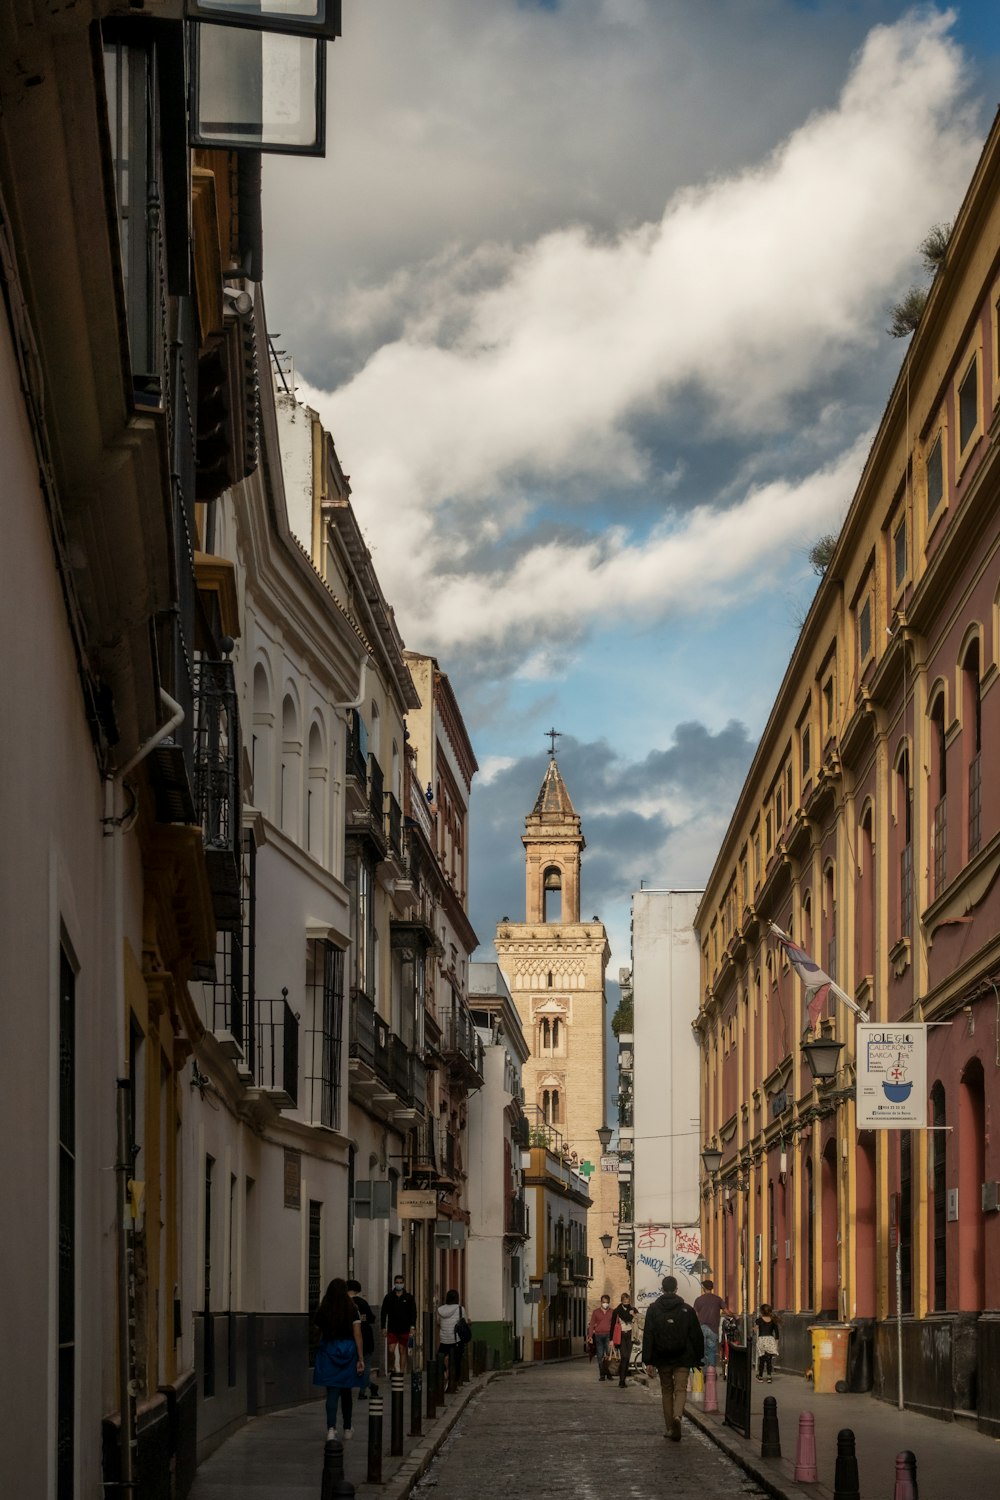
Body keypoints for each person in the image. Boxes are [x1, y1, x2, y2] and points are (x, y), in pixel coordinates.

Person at [642, 1274, 704, 1441]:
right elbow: (696, 1336)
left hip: (662, 1358)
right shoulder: (687, 1309)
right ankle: (678, 1416)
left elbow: (648, 1335)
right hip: (683, 1357)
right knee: (681, 1389)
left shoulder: (653, 1309)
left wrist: (648, 1360)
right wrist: (699, 1358)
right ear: (676, 1289)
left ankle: (670, 1427)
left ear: (662, 1289)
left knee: (667, 1391)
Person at [313, 1278, 365, 1442]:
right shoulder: (352, 1309)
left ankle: (331, 1428)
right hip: (348, 1352)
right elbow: (357, 1335)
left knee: (332, 1392)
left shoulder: (324, 1309)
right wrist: (361, 1358)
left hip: (329, 1351)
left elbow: (316, 1330)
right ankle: (348, 1427)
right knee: (346, 1391)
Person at [346, 1278, 378, 1400]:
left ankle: (367, 1386)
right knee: (366, 1363)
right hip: (366, 1336)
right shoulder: (363, 1303)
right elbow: (372, 1318)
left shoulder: (345, 1304)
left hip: (349, 1337)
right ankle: (364, 1390)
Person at [380, 1273, 418, 1373]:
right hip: (392, 1328)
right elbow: (383, 1313)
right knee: (391, 1350)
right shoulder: (388, 1297)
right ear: (394, 1283)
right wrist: (383, 1327)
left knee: (402, 1350)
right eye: (397, 1282)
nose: (399, 1284)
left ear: (403, 1284)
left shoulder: (409, 1297)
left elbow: (413, 1313)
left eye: (401, 1282)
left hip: (405, 1329)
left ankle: (401, 1372)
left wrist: (412, 1327)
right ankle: (392, 1367)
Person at [436, 1287, 469, 1386]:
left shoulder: (440, 1310)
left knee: (440, 1357)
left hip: (444, 1339)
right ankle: (453, 1380)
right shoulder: (460, 1309)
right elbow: (464, 1322)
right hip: (456, 1339)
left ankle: (445, 1373)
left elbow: (438, 1322)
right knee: (457, 1360)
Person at [692, 1278, 725, 1370]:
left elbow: (695, 1314)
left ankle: (703, 1372)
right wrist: (734, 1316)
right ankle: (711, 1373)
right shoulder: (718, 1299)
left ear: (703, 1287)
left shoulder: (698, 1299)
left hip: (701, 1328)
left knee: (701, 1350)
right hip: (713, 1328)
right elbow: (726, 1310)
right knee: (711, 1350)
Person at [609, 1291, 637, 1387]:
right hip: (620, 1335)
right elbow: (612, 1325)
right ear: (621, 1301)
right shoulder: (617, 1311)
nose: (626, 1302)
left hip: (630, 1335)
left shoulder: (633, 1309)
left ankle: (623, 1379)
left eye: (628, 1300)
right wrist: (611, 1340)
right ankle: (621, 1380)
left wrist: (633, 1315)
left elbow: (639, 1320)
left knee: (627, 1358)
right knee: (624, 1356)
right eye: (624, 1300)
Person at [587, 1293, 616, 1382]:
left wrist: (613, 1338)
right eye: (604, 1302)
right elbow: (592, 1324)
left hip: (608, 1335)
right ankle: (602, 1374)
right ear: (601, 1302)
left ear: (609, 1303)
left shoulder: (612, 1312)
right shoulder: (596, 1312)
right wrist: (590, 1336)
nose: (605, 1304)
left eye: (607, 1302)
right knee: (600, 1355)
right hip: (598, 1336)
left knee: (608, 1355)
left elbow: (615, 1325)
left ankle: (609, 1374)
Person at [754, 1303, 781, 1382]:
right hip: (770, 1340)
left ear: (762, 1312)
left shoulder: (759, 1320)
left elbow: (756, 1329)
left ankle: (760, 1376)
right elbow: (777, 1334)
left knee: (762, 1359)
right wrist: (776, 1344)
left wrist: (754, 1329)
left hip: (762, 1340)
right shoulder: (773, 1321)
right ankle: (769, 1377)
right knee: (769, 1359)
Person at [720, 1302, 740, 1380]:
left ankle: (728, 1371)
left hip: (733, 1339)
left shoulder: (733, 1320)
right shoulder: (723, 1320)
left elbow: (737, 1327)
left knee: (728, 1355)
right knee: (724, 1355)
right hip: (725, 1339)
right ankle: (724, 1371)